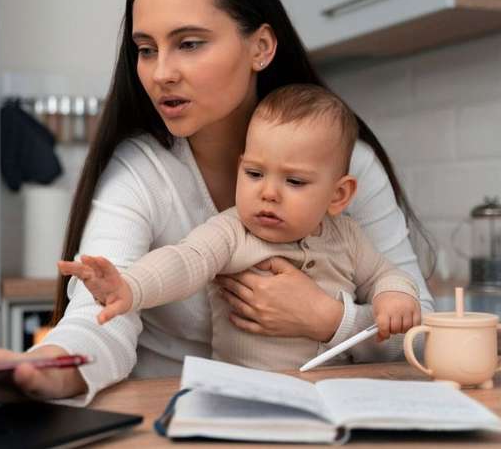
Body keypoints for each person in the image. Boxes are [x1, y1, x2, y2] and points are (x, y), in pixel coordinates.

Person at [0, 0, 435, 422]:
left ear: (260, 47)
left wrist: (329, 320)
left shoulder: (346, 164)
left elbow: (424, 332)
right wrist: (38, 369)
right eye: (146, 49)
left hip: (315, 419)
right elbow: (101, 316)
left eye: (189, 43)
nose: (161, 72)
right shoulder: (141, 171)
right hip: (175, 423)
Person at [58, 84, 421, 371]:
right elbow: (185, 261)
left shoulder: (348, 236)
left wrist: (395, 296)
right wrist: (130, 287)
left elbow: (385, 274)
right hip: (247, 391)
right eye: (254, 174)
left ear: (338, 195)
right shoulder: (233, 230)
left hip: (336, 393)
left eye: (294, 182)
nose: (268, 193)